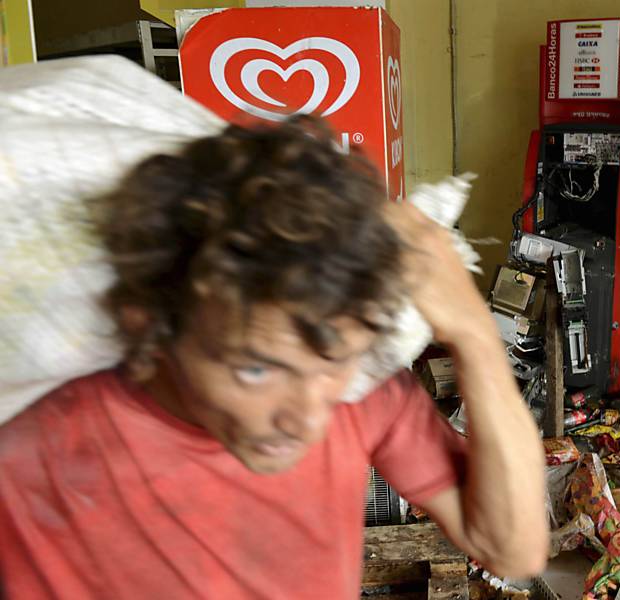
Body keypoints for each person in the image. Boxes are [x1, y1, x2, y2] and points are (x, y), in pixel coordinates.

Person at [0, 117, 548, 598]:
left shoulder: (357, 389)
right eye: (255, 369)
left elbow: (511, 550)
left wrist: (474, 334)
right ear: (154, 329)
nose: (307, 419)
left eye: (334, 363)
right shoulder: (37, 445)